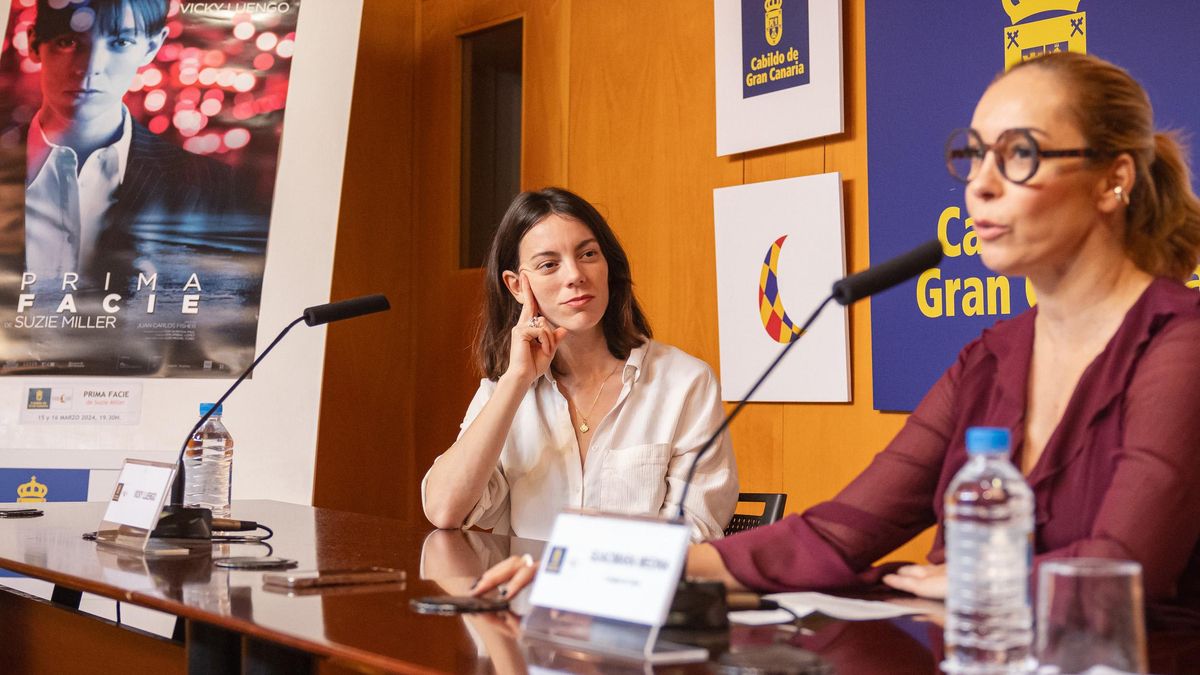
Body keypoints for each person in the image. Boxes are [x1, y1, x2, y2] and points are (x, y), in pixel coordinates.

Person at [473, 52, 1200, 616]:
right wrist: (588, 562)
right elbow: (832, 535)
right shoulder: (991, 360)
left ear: (1114, 181)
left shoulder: (1180, 345)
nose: (979, 184)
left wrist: (980, 581)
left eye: (1018, 156)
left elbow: (1123, 570)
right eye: (973, 156)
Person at [422, 187, 738, 542]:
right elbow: (445, 510)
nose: (575, 274)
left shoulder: (685, 382)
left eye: (588, 254)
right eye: (549, 264)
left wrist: (582, 576)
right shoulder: (505, 390)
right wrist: (516, 382)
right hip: (525, 596)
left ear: (607, 266)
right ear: (515, 286)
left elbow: (695, 529)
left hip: (636, 595)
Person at [18, 0, 233, 281]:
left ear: (152, 47)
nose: (90, 66)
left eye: (119, 42)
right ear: (34, 44)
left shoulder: (208, 186)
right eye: (68, 41)